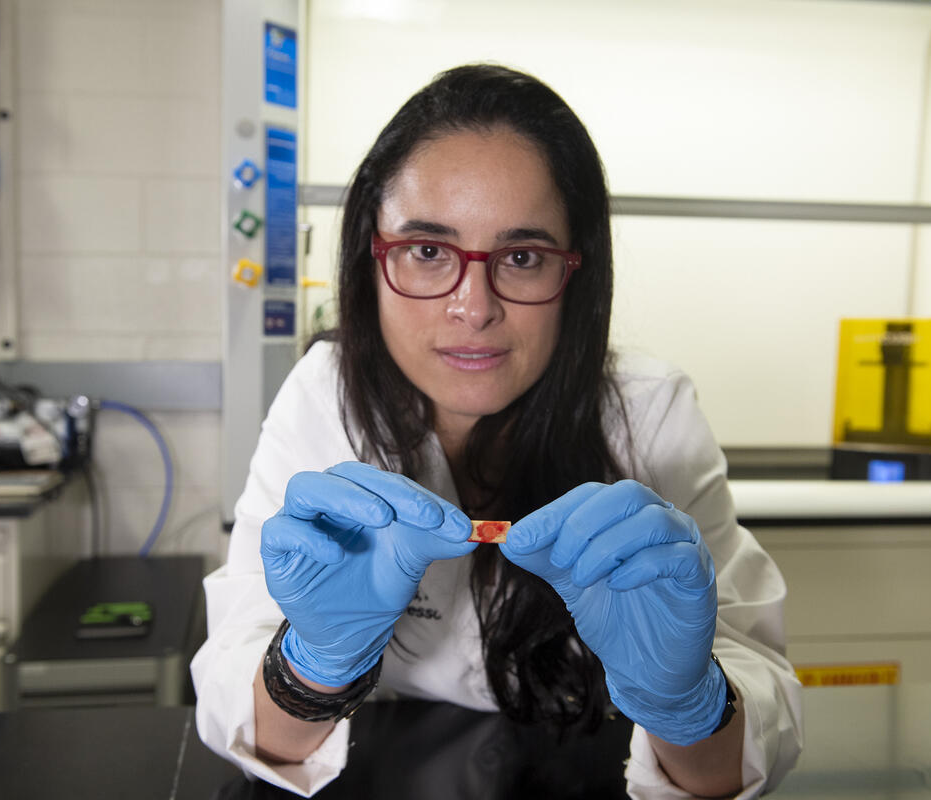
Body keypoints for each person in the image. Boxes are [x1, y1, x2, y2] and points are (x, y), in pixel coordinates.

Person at [191, 64, 803, 798]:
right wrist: (312, 666)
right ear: (369, 254)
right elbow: (247, 717)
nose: (473, 307)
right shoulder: (326, 400)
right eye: (427, 251)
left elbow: (739, 758)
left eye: (521, 257)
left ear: (577, 272)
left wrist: (686, 700)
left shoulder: (649, 415)